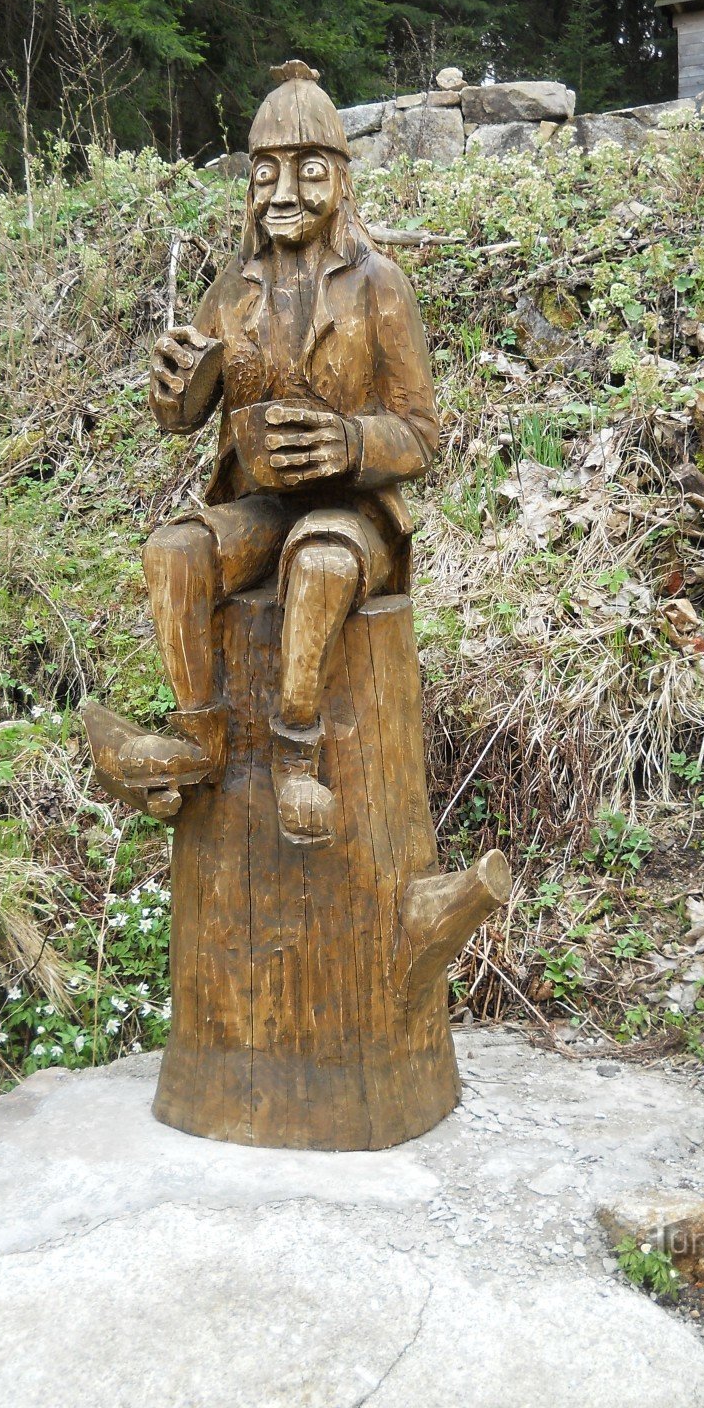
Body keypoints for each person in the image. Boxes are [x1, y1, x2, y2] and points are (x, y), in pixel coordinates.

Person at [116, 60, 439, 849]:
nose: (285, 192)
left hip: (350, 510)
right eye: (266, 173)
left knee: (319, 562)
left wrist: (353, 441)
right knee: (174, 552)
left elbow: (422, 434)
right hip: (255, 503)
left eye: (308, 170)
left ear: (341, 180)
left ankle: (297, 750)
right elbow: (189, 413)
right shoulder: (232, 287)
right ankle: (201, 736)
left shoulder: (379, 285)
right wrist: (175, 385)